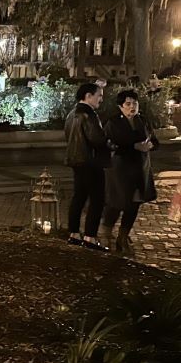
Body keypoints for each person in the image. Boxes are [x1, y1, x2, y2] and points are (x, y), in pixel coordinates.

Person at [100, 89, 158, 254]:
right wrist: (134, 146)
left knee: (134, 204)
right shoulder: (113, 123)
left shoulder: (143, 121)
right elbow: (112, 144)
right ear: (121, 106)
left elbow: (154, 140)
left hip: (140, 169)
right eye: (128, 104)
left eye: (135, 103)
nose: (132, 107)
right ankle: (105, 233)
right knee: (117, 203)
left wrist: (150, 145)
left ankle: (123, 237)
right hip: (120, 170)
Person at [64, 82, 111, 251]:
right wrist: (110, 143)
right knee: (97, 200)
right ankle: (90, 236)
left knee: (79, 198)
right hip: (91, 162)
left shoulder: (71, 114)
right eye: (99, 95)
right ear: (88, 96)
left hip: (76, 160)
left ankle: (74, 233)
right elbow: (97, 139)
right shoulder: (88, 114)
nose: (101, 99)